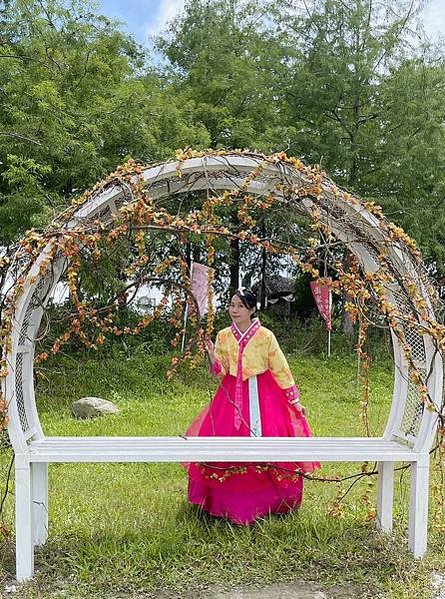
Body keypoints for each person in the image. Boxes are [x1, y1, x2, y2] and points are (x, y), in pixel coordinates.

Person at [184, 287, 320, 524]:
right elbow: (220, 372)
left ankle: (269, 503)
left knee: (268, 444)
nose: (234, 310)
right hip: (230, 398)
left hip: (263, 396)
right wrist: (212, 357)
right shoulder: (224, 336)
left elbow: (280, 367)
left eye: (240, 306)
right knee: (225, 444)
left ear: (252, 309)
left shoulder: (266, 336)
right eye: (232, 305)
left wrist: (294, 400)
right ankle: (223, 503)